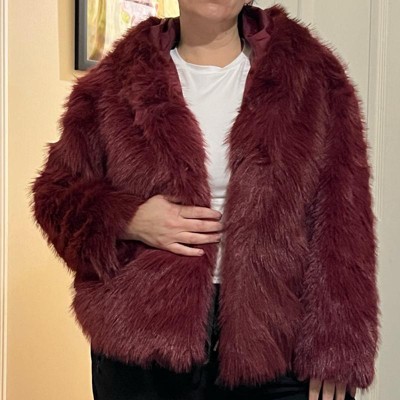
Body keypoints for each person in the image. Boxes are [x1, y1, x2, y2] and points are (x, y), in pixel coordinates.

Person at [30, 1, 380, 400]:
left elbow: (345, 216)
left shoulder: (312, 76)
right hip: (145, 343)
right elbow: (55, 196)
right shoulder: (114, 82)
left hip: (278, 340)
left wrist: (339, 346)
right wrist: (129, 218)